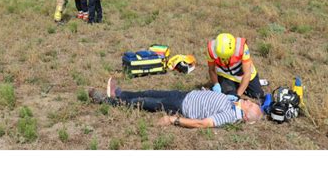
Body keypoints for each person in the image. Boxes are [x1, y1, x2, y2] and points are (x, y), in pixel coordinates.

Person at [88, 77, 263, 128]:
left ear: (246, 117)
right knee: (149, 92)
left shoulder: (231, 115)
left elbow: (204, 123)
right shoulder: (234, 104)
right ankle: (120, 93)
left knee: (144, 101)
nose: (247, 101)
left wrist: (174, 120)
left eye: (249, 105)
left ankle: (106, 101)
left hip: (181, 106)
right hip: (186, 95)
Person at [207, 33, 264, 101]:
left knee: (258, 95)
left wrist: (238, 95)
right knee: (229, 95)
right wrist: (216, 84)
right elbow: (212, 70)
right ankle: (235, 87)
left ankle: (239, 86)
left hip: (243, 74)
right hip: (226, 75)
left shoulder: (242, 48)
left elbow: (247, 73)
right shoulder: (211, 49)